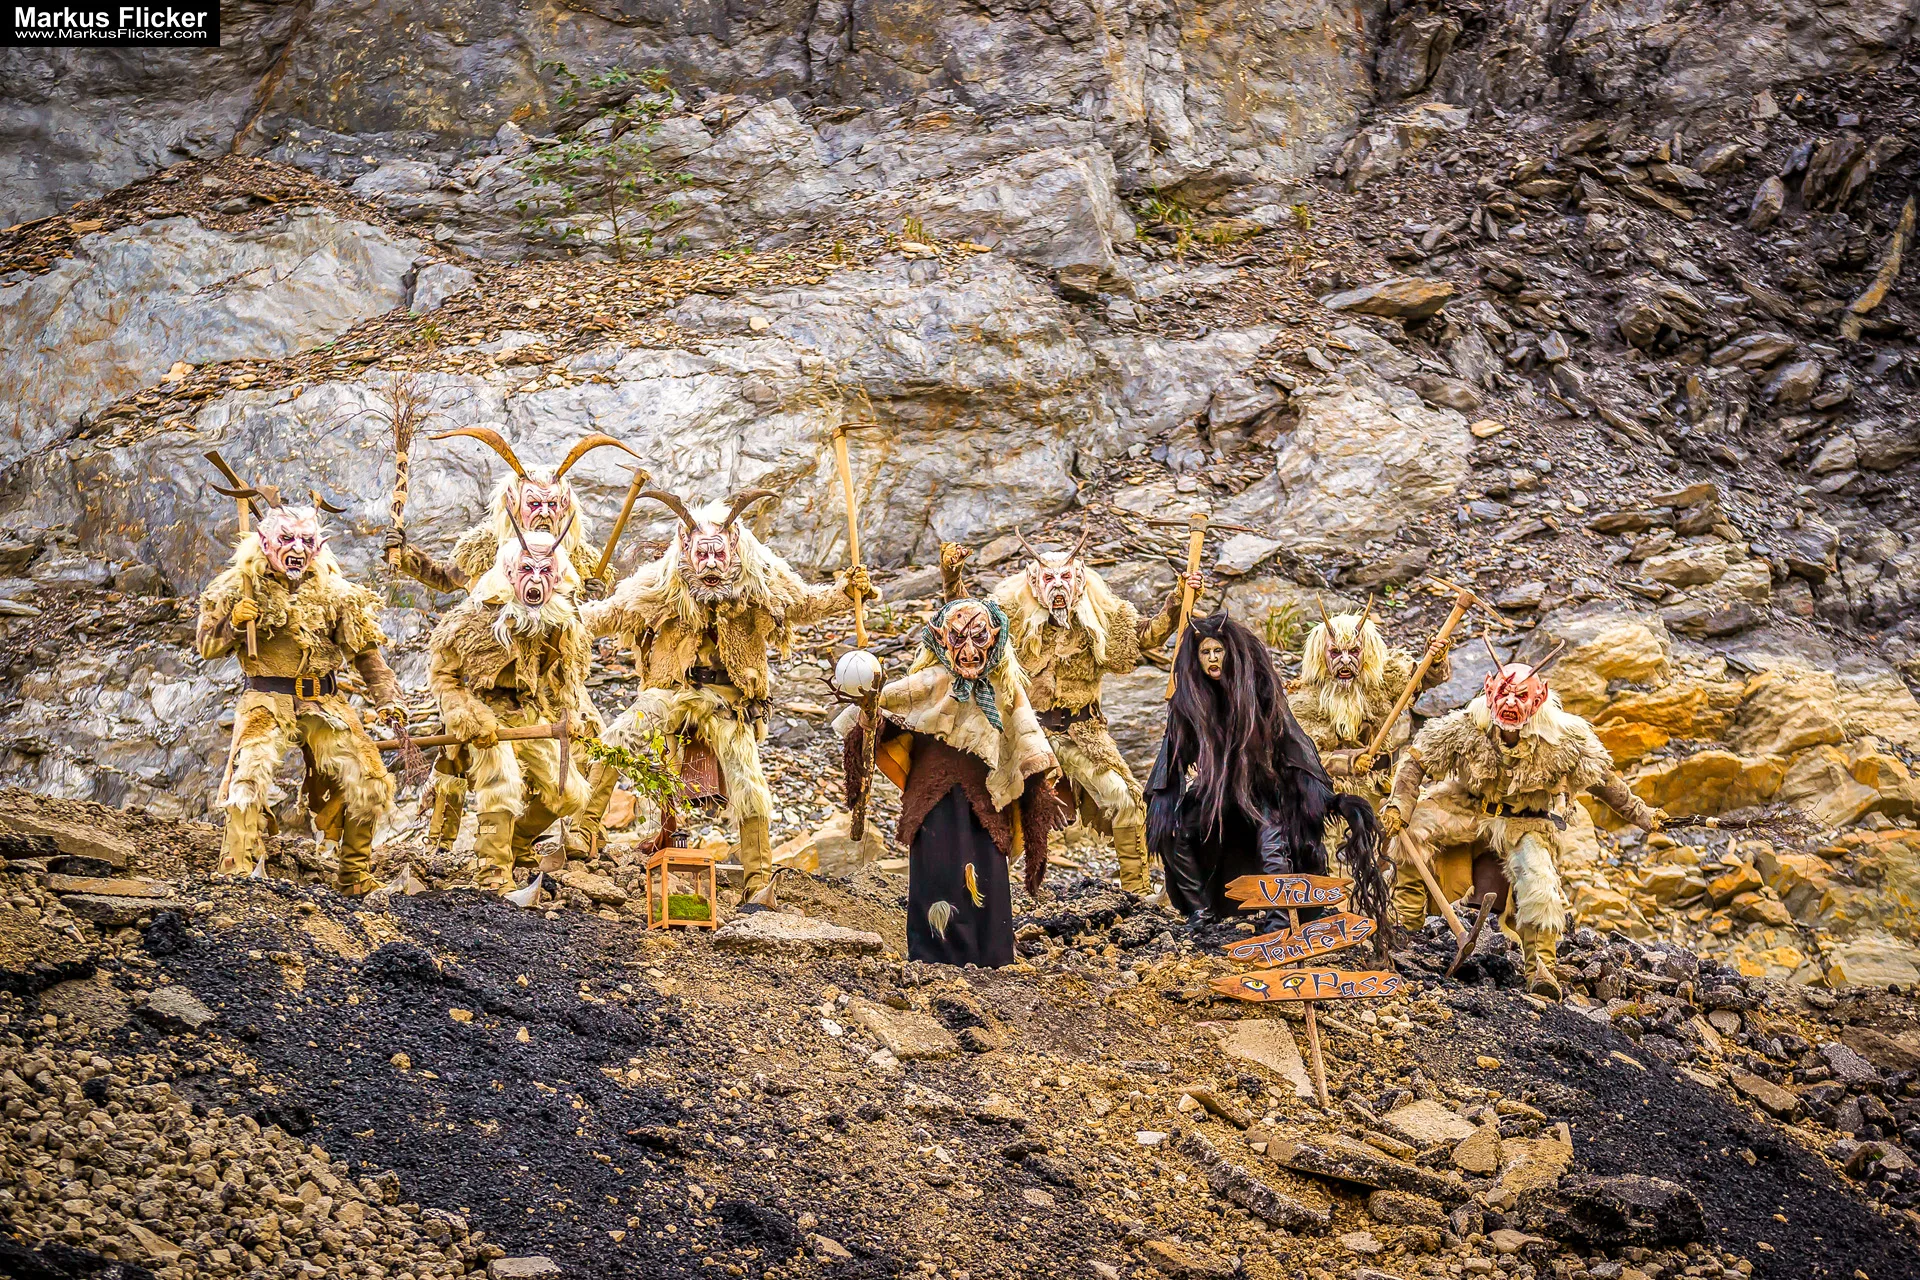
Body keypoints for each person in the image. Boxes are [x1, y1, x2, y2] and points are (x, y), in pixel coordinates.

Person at [579, 486, 868, 895]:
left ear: (733, 547)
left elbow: (802, 604)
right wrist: (571, 614)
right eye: (702, 555)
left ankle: (758, 880)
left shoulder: (760, 580)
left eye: (718, 554)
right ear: (685, 548)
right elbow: (613, 613)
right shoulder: (662, 583)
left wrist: (844, 594)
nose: (711, 563)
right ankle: (584, 830)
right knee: (616, 738)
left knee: (749, 782)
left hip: (730, 702)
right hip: (670, 691)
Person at [384, 427, 639, 854]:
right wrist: (405, 555)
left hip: (551, 676)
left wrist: (589, 595)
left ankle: (547, 835)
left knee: (583, 745)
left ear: (567, 510)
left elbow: (585, 618)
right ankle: (440, 846)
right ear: (514, 504)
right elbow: (445, 578)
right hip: (486, 664)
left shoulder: (580, 560)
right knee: (458, 751)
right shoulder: (484, 549)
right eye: (534, 504)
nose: (543, 513)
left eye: (553, 505)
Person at [1379, 644, 1664, 998]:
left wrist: (1643, 815)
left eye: (1521, 695)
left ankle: (1540, 968)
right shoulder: (1466, 727)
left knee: (1538, 881)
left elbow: (1604, 781)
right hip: (1468, 807)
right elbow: (1416, 760)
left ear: (1539, 697)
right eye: (1504, 693)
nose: (1511, 703)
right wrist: (1399, 808)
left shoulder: (1565, 739)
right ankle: (1406, 927)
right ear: (1489, 690)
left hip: (1525, 820)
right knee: (1413, 828)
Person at [841, 560, 1062, 966]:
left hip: (986, 800)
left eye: (980, 637)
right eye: (959, 639)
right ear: (941, 642)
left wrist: (1037, 797)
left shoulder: (1005, 689)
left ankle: (991, 953)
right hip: (933, 798)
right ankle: (932, 955)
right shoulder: (925, 685)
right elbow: (882, 718)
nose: (970, 650)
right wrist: (869, 710)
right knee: (937, 871)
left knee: (986, 872)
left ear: (995, 639)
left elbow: (1026, 744)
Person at [198, 492, 404, 895]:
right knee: (249, 777)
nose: (297, 549)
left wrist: (388, 699)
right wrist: (235, 626)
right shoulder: (237, 586)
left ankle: (355, 877)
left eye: (306, 541)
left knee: (370, 777)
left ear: (319, 545)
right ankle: (236, 874)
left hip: (323, 700)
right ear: (265, 540)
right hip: (266, 698)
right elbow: (207, 646)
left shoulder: (336, 592)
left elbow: (365, 653)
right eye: (287, 540)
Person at [1146, 612, 1387, 928]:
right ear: (1198, 658)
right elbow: (1173, 753)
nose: (1213, 658)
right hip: (1216, 793)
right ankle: (1200, 913)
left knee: (1273, 845)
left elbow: (1293, 744)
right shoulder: (1190, 702)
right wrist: (1164, 799)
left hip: (1264, 789)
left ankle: (1280, 920)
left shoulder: (1258, 692)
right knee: (1174, 831)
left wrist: (1319, 795)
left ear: (1230, 652)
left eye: (1219, 651)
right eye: (1206, 652)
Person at [989, 527, 1195, 894]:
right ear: (1034, 583)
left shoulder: (1100, 619)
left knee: (1128, 802)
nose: (1058, 586)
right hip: (1025, 734)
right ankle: (986, 897)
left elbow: (1144, 636)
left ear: (1080, 580)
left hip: (1083, 735)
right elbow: (965, 626)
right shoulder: (1012, 620)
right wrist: (951, 577)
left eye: (1065, 577)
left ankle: (1137, 894)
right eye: (1049, 578)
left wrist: (1178, 599)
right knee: (999, 812)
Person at [427, 518, 598, 892]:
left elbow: (567, 680)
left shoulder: (563, 624)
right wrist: (467, 717)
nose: (535, 579)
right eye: (526, 569)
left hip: (532, 714)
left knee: (569, 793)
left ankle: (515, 841)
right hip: (486, 712)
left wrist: (572, 714)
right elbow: (443, 678)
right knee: (501, 782)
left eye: (544, 571)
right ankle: (493, 873)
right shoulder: (472, 619)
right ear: (508, 571)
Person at [1289, 601, 1451, 927]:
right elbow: (1304, 755)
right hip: (1335, 795)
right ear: (1322, 656)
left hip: (1385, 786)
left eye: (1354, 652)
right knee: (1341, 857)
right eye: (1336, 653)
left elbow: (1423, 678)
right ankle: (1340, 923)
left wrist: (1436, 658)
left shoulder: (1386, 679)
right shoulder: (1305, 697)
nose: (1346, 661)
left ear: (1368, 652)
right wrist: (1347, 762)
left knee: (1393, 855)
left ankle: (1397, 924)